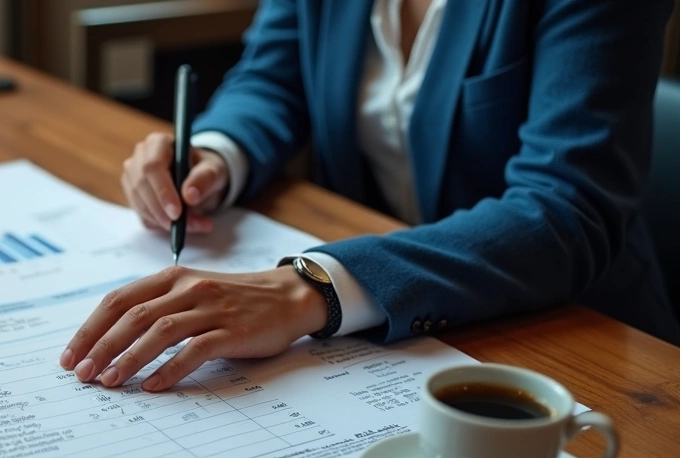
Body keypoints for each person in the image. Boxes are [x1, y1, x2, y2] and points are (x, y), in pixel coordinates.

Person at [58, 0, 680, 391]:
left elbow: (565, 207)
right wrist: (217, 154)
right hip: (392, 347)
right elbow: (274, 77)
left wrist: (314, 286)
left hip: (577, 344)